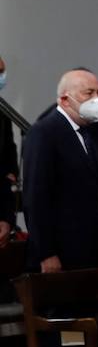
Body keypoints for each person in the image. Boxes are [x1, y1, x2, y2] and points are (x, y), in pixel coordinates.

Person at [21, 69, 98, 272]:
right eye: (89, 93)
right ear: (65, 99)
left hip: (95, 248)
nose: (96, 100)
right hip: (62, 251)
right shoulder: (44, 133)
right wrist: (46, 252)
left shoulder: (96, 131)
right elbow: (36, 198)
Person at [0, 55, 18, 242]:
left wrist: (6, 218)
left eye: (3, 72)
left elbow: (7, 169)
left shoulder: (3, 110)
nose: (2, 76)